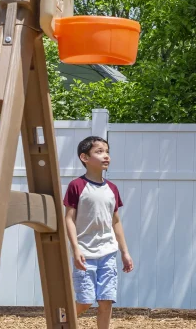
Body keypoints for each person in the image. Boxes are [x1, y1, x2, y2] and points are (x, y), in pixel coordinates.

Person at [64, 136, 133, 329]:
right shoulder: (76, 186)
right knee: (85, 301)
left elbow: (116, 221)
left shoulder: (112, 188)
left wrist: (125, 252)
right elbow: (69, 218)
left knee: (106, 301)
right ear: (84, 157)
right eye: (99, 151)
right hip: (85, 254)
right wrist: (75, 249)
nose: (106, 156)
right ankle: (62, 319)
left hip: (108, 253)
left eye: (107, 151)